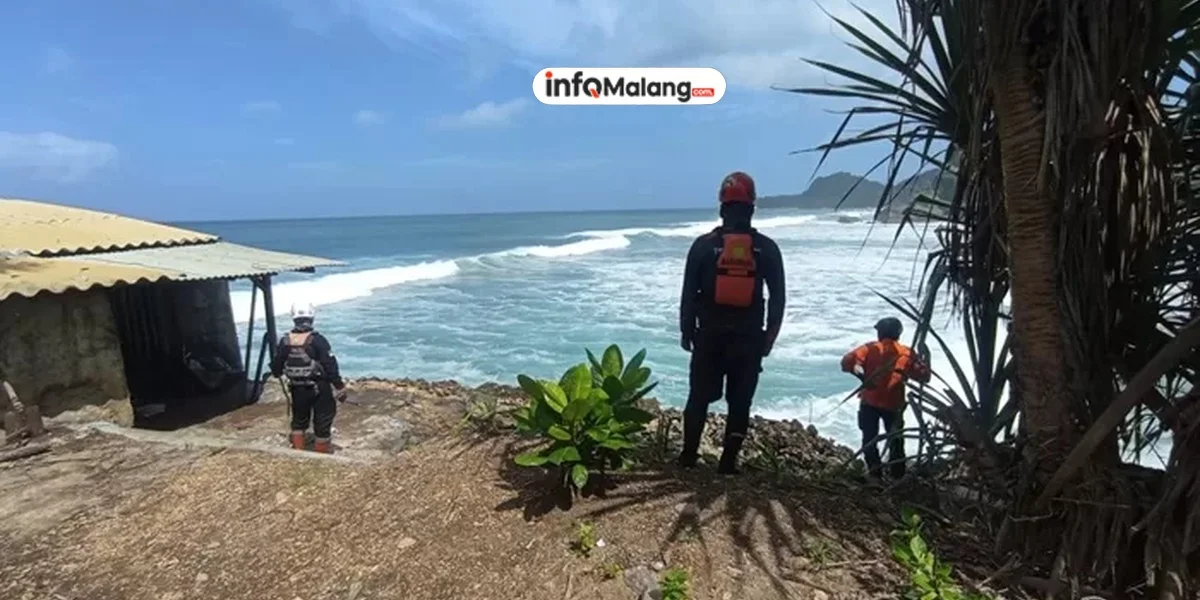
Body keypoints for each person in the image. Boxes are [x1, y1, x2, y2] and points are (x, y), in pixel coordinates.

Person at [677, 171, 786, 474]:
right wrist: (769, 339)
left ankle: (687, 457)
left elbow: (688, 293)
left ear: (722, 208)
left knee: (698, 397)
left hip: (709, 335)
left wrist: (686, 331)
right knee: (740, 403)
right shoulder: (767, 248)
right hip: (748, 338)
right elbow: (778, 298)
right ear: (752, 207)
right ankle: (728, 464)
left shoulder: (702, 246)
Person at [840, 317, 931, 482]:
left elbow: (848, 363)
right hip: (894, 405)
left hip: (869, 403)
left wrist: (863, 377)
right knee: (896, 441)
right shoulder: (906, 352)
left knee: (869, 439)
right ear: (898, 333)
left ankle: (875, 476)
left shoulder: (870, 348)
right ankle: (898, 477)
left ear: (880, 333)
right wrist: (926, 361)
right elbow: (924, 377)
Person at [270, 303, 346, 453]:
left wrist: (279, 373)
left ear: (294, 319)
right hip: (319, 387)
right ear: (311, 318)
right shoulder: (318, 340)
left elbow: (276, 366)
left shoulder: (285, 341)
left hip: (297, 388)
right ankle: (321, 453)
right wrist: (339, 386)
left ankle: (298, 451)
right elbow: (330, 365)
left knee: (299, 420)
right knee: (323, 419)